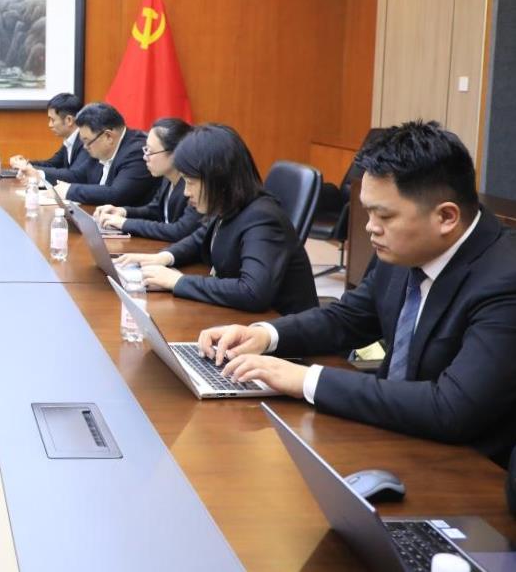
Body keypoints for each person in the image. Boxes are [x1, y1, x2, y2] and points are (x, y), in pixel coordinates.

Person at [198, 122, 516, 465]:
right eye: (368, 211)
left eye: (384, 215)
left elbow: (451, 408)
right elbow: (348, 317)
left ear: (446, 217)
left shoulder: (505, 280)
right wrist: (266, 335)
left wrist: (307, 379)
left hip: (465, 470)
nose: (370, 227)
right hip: (392, 437)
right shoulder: (406, 247)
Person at [118, 124, 317, 315]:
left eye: (190, 182)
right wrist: (164, 257)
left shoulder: (262, 218)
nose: (186, 192)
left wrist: (178, 281)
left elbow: (252, 291)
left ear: (218, 179)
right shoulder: (229, 205)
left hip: (279, 328)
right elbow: (200, 239)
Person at [93, 117, 202, 242]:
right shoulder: (167, 177)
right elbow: (155, 210)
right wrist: (122, 212)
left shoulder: (194, 186)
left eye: (150, 151)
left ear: (175, 153)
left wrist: (124, 223)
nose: (145, 157)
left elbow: (179, 231)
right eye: (145, 149)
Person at [54, 102, 157, 207]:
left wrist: (69, 190)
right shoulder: (99, 149)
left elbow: (117, 194)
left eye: (87, 141)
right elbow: (79, 176)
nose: (85, 147)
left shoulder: (137, 152)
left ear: (108, 136)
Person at [10, 93, 89, 184]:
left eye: (53, 120)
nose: (50, 125)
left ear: (69, 120)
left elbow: (74, 176)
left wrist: (35, 172)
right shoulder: (70, 140)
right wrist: (25, 164)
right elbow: (51, 164)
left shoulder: (86, 141)